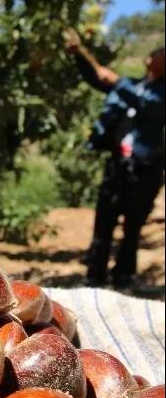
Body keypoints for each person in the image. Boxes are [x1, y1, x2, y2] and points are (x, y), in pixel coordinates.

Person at [64, 30, 165, 289]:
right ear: (149, 60)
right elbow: (98, 79)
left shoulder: (157, 94)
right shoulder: (132, 84)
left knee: (133, 227)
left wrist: (118, 81)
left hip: (145, 168)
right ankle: (94, 277)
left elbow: (151, 106)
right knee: (104, 222)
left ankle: (123, 278)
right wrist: (79, 58)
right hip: (117, 165)